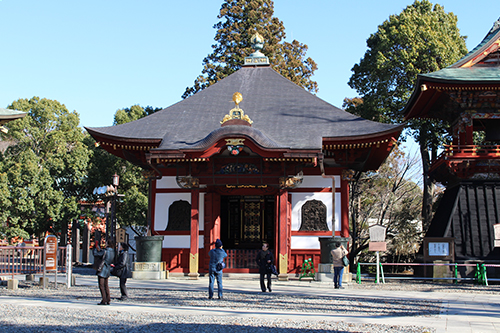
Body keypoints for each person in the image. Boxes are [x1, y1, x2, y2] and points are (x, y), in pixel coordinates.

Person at [93, 239, 115, 305]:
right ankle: (108, 299)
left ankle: (104, 299)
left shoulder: (105, 251)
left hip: (102, 268)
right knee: (106, 285)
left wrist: (96, 248)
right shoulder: (112, 251)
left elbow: (96, 254)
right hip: (107, 268)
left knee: (101, 285)